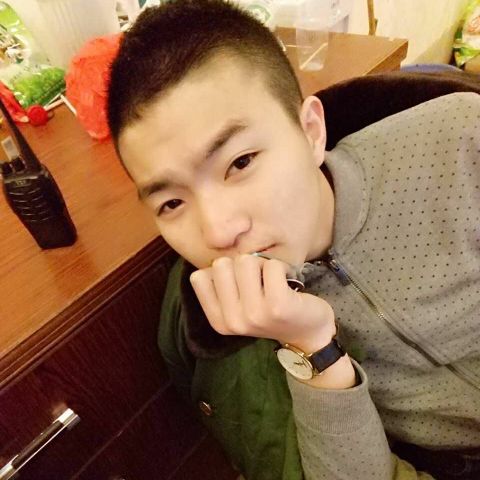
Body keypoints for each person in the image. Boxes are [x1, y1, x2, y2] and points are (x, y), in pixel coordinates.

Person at [106, 1, 480, 479]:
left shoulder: (460, 140)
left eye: (240, 163)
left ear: (310, 132)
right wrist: (312, 347)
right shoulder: (235, 330)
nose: (219, 232)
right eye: (172, 203)